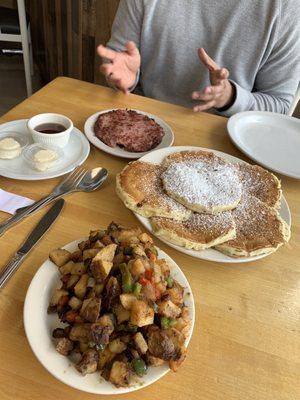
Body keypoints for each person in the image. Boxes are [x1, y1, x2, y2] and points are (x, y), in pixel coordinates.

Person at [97, 0, 300, 117]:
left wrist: (231, 98)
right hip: (145, 119)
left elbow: (278, 104)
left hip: (227, 138)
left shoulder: (287, 8)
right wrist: (125, 79)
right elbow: (118, 59)